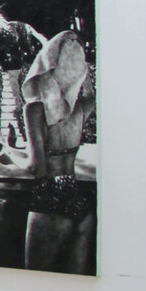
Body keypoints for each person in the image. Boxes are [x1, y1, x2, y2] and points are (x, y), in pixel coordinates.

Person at [18, 30, 95, 273]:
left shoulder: (34, 109)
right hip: (78, 200)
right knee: (76, 285)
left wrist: (5, 154)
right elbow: (89, 94)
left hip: (50, 198)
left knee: (37, 281)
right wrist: (82, 71)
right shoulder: (80, 109)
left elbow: (36, 167)